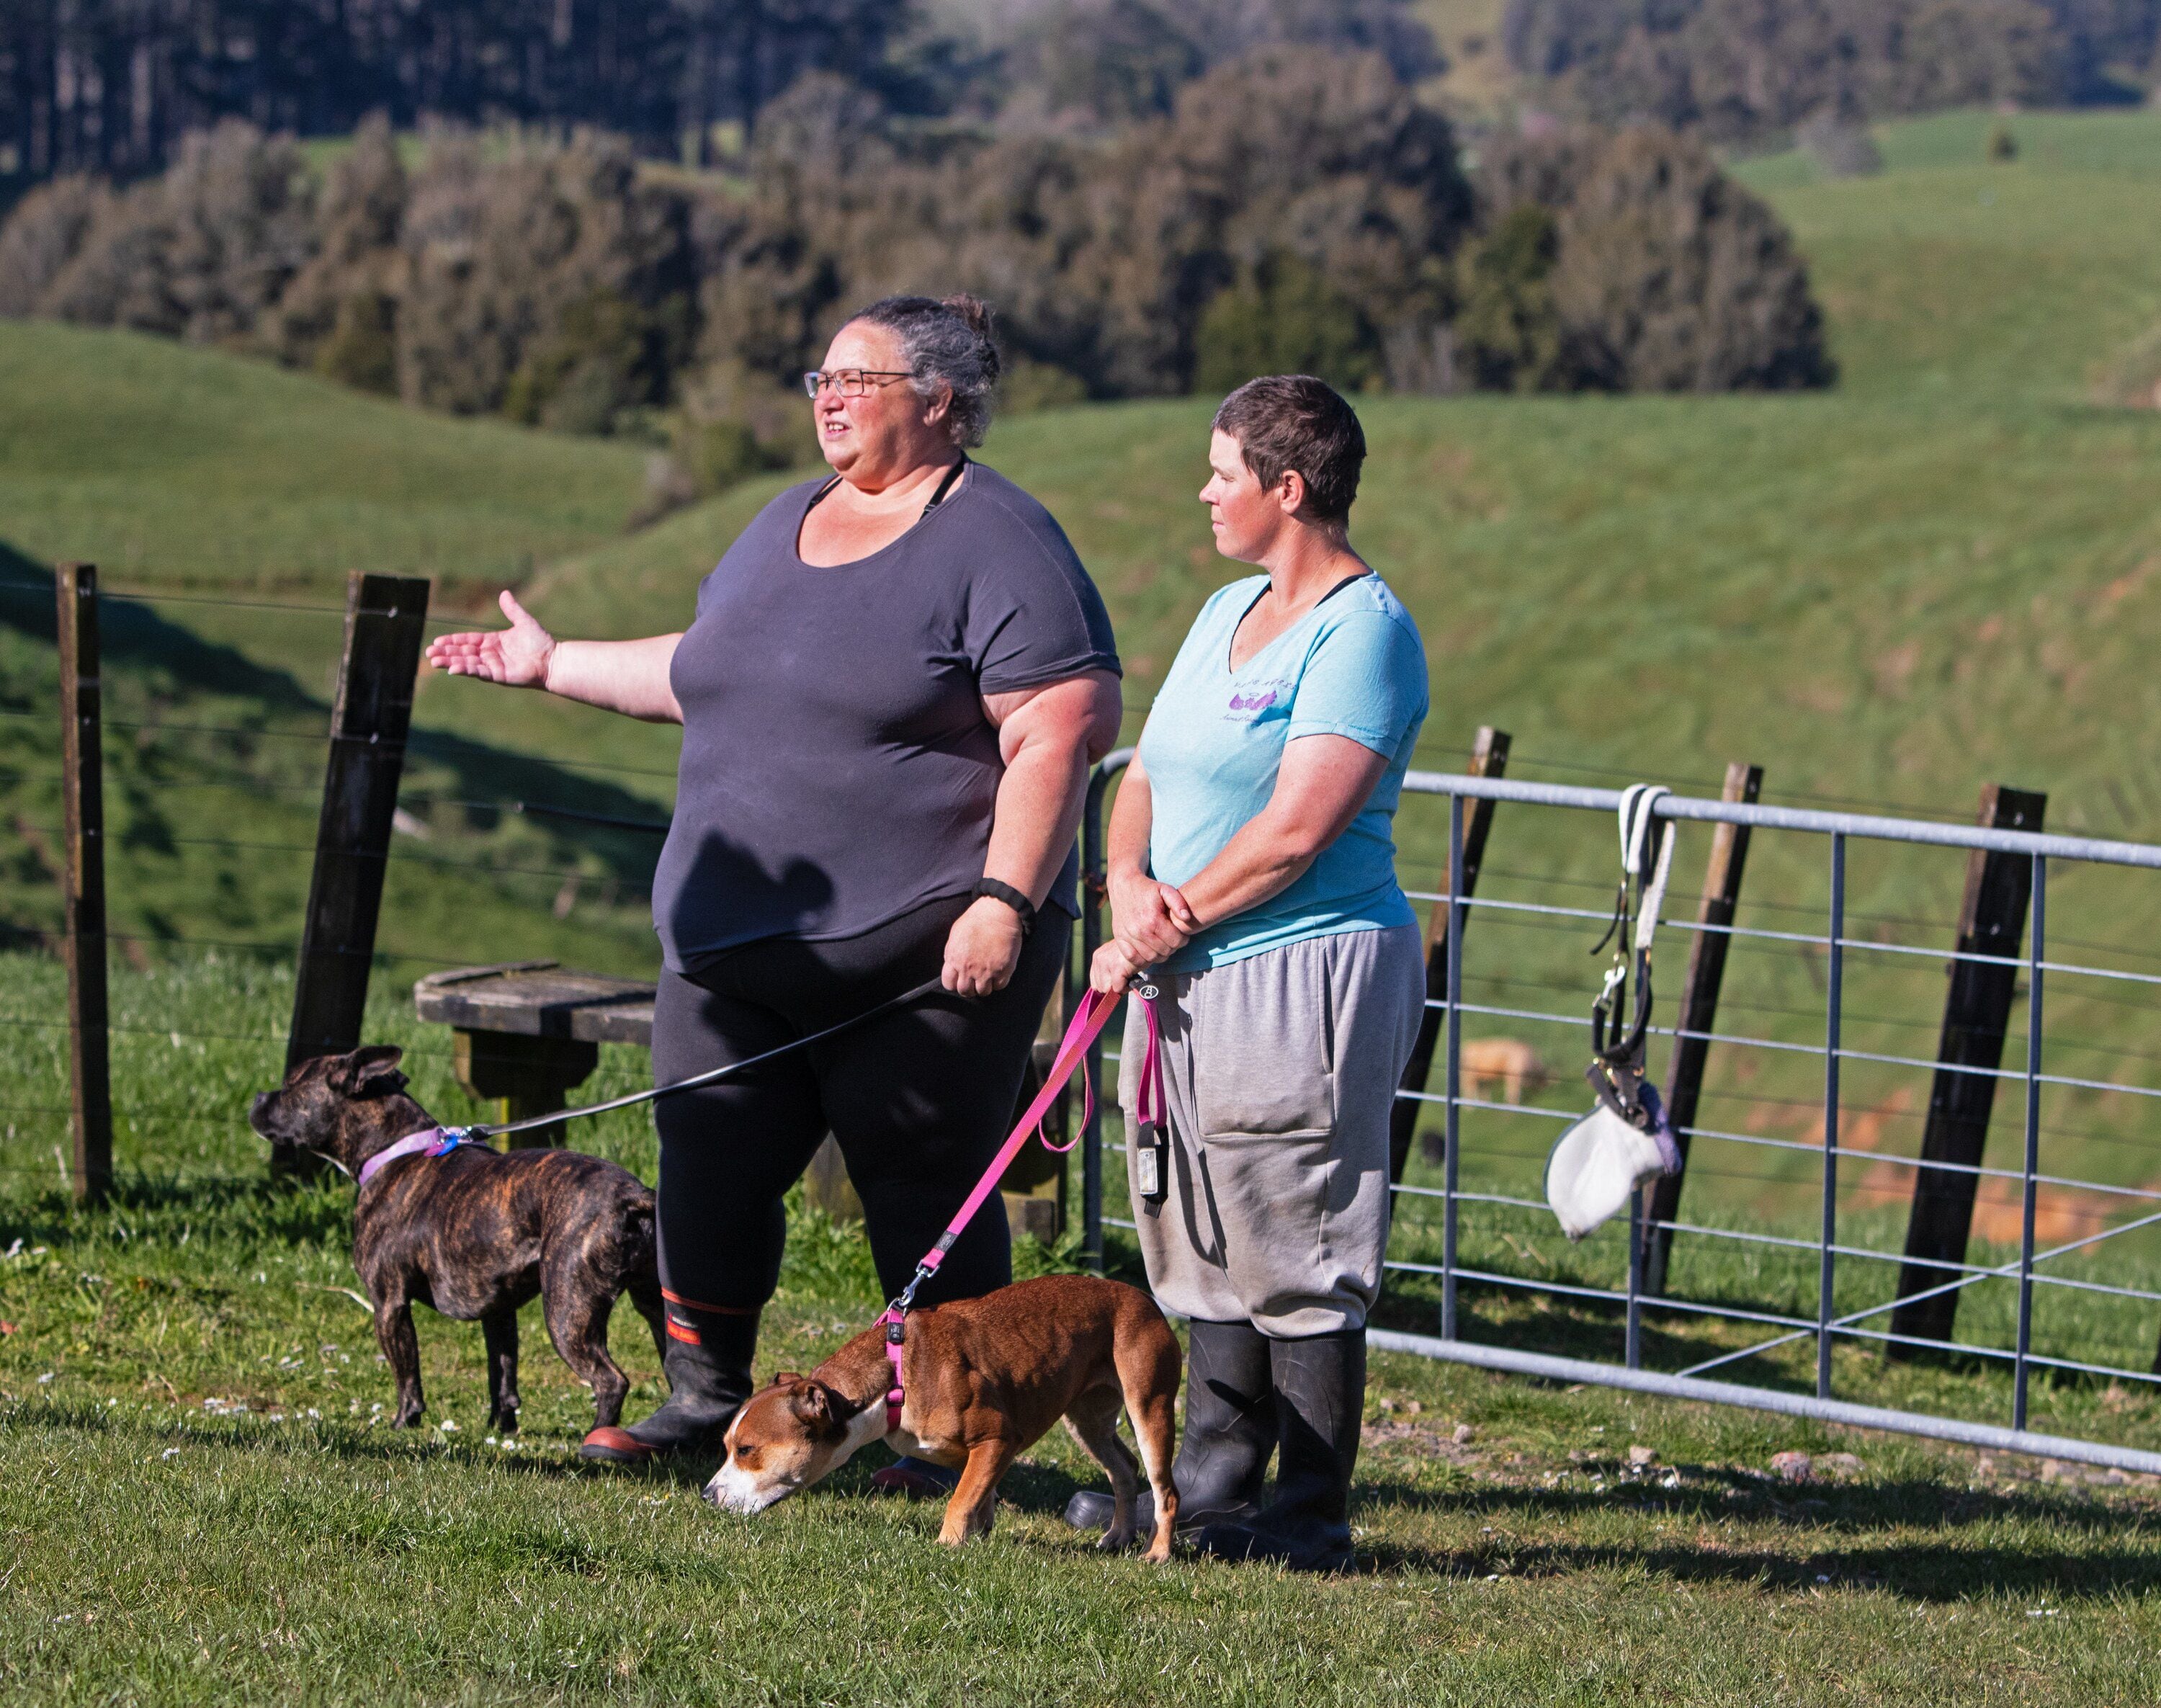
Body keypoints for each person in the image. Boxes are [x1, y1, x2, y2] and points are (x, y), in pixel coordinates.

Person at [426, 295, 1123, 1470]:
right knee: (709, 1170)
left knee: (923, 1198)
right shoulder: (778, 522)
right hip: (730, 950)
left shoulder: (1001, 542)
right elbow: (704, 673)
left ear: (942, 404)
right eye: (822, 378)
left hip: (920, 958)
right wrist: (554, 667)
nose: (829, 398)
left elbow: (1062, 725)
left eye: (860, 379)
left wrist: (1005, 899)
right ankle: (707, 1403)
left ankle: (945, 1434)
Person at [1064, 375, 1428, 1570]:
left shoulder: (1364, 632)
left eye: (1223, 472)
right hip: (1183, 969)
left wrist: (1159, 927)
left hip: (1300, 971)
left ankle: (1308, 1514)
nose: (1205, 492)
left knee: (1294, 1232)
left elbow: (1294, 833)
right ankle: (1213, 1489)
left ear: (1289, 487)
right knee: (1195, 1222)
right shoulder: (1228, 608)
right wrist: (1126, 879)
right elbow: (1149, 773)